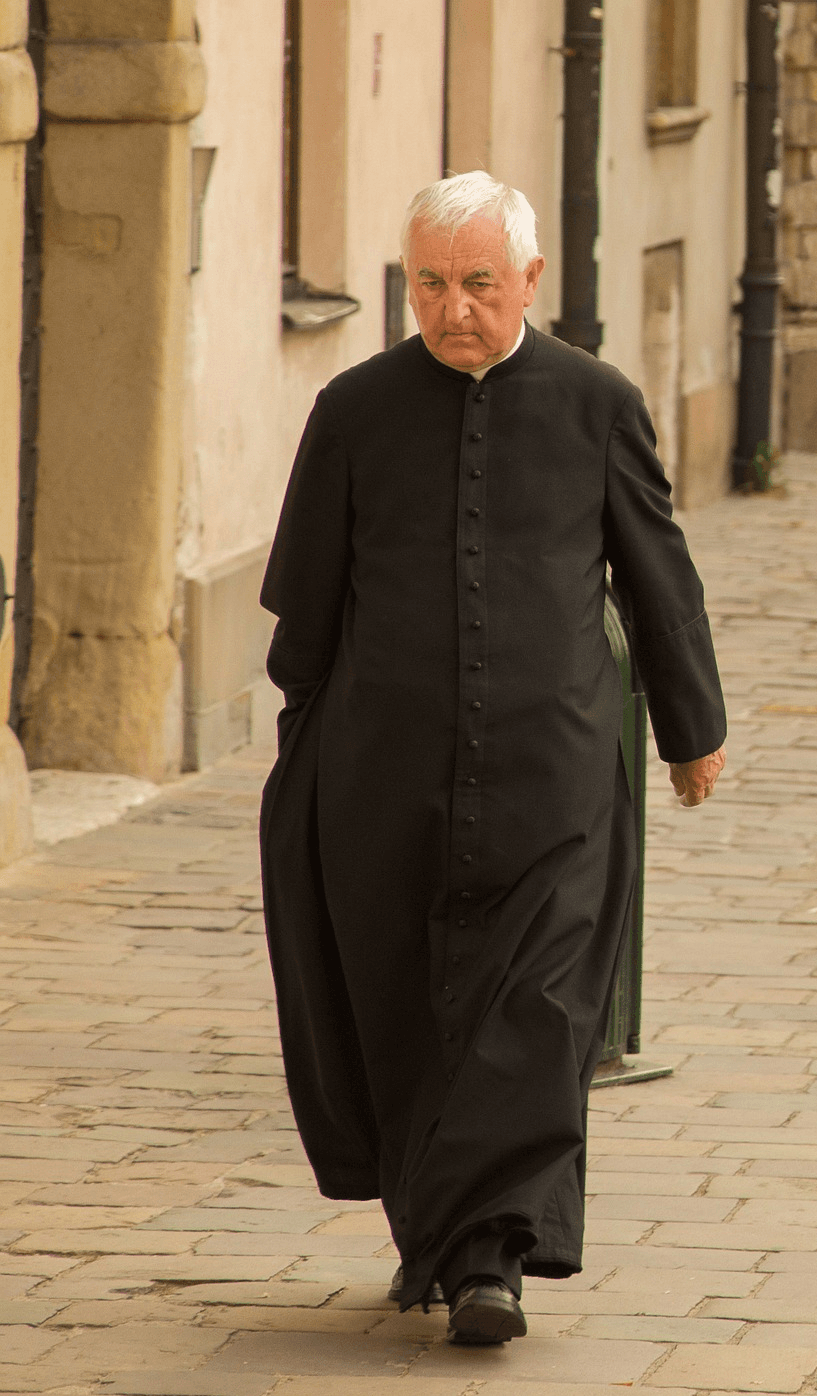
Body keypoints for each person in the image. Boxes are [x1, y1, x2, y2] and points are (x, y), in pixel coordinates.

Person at [258, 172, 726, 1346]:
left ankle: (494, 1259)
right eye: (429, 283)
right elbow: (305, 611)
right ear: (404, 282)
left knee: (536, 1007)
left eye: (477, 283)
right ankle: (445, 1239)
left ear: (528, 280)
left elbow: (657, 577)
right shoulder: (356, 410)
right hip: (383, 774)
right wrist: (304, 754)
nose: (454, 307)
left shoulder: (596, 403)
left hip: (555, 771)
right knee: (406, 1006)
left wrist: (691, 728)